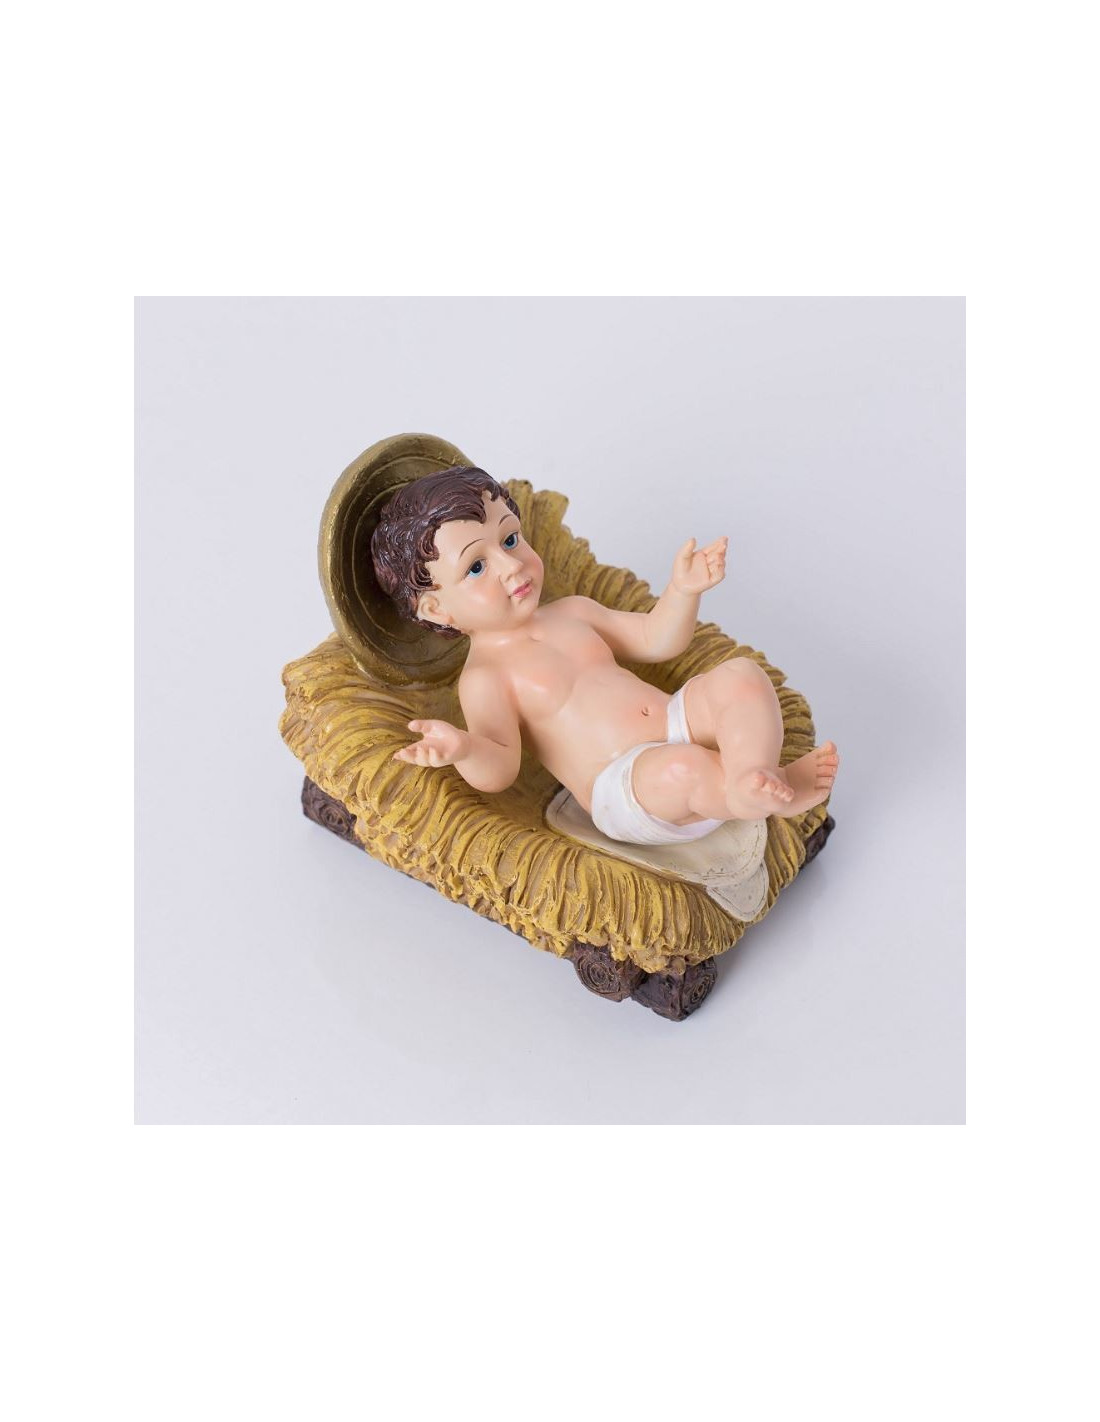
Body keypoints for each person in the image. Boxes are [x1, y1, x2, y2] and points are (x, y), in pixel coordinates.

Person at [371, 466, 839, 846]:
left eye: (510, 539)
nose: (511, 565)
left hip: (673, 722)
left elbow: (656, 639)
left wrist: (682, 591)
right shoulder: (486, 677)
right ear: (437, 609)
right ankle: (740, 796)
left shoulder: (573, 611)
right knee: (685, 768)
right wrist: (463, 748)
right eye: (476, 566)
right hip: (626, 787)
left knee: (740, 677)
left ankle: (754, 771)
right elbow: (501, 767)